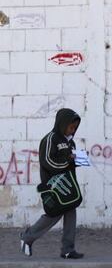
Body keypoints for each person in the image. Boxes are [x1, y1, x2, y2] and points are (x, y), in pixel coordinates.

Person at [20, 108, 84, 258]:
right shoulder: (50, 139)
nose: (73, 130)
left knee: (71, 211)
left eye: (75, 127)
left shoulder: (71, 142)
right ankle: (27, 237)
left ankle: (67, 250)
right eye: (71, 127)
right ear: (63, 124)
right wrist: (69, 160)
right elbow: (48, 162)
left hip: (68, 186)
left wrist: (80, 160)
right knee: (53, 214)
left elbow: (70, 163)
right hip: (53, 186)